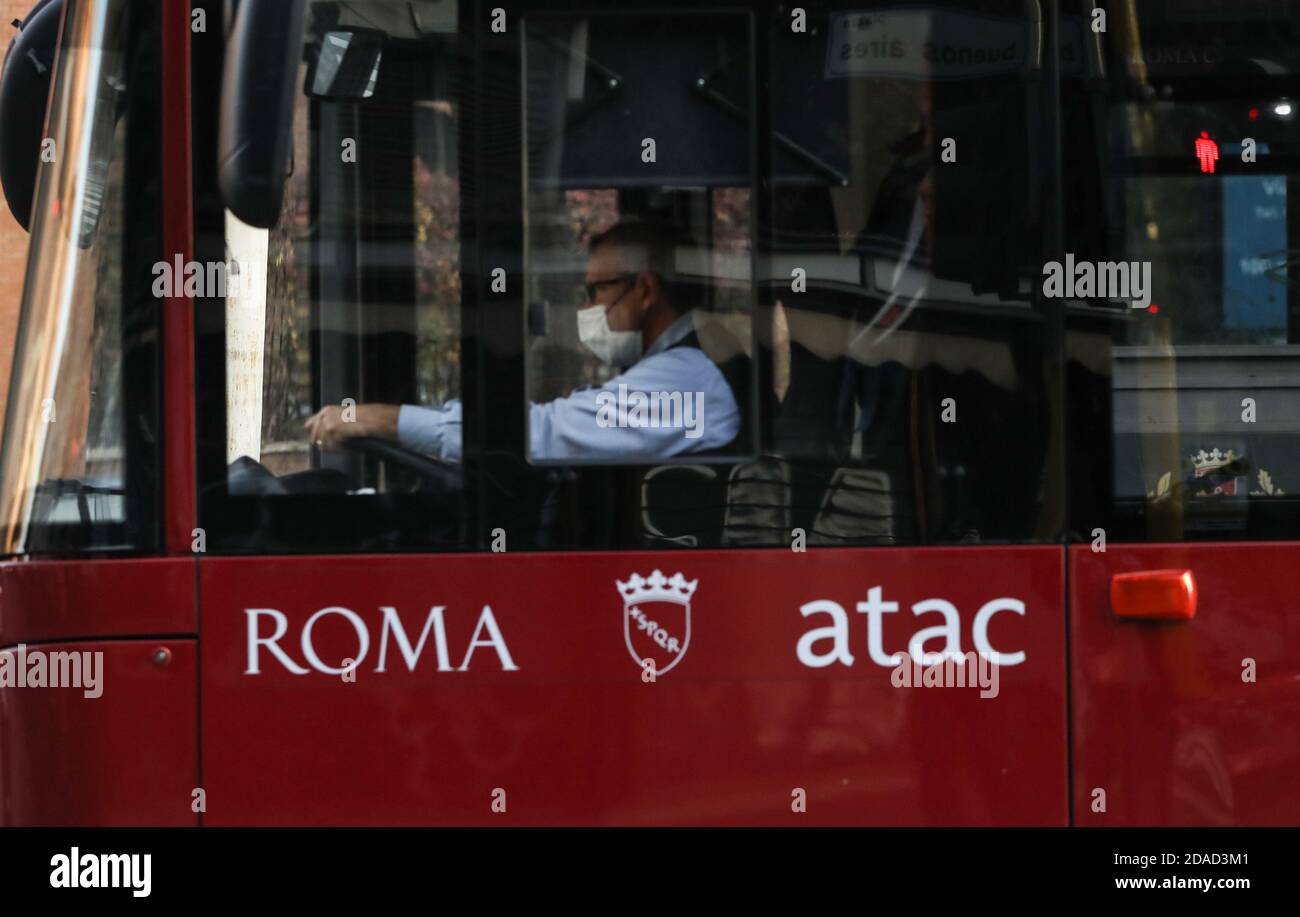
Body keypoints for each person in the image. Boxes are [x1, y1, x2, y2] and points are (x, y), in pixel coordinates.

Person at [304, 220, 745, 462]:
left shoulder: (688, 378)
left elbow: (539, 436)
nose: (587, 308)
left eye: (597, 291)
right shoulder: (690, 363)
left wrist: (386, 421)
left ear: (646, 290)